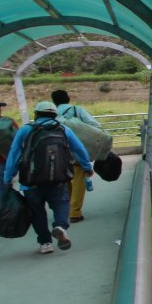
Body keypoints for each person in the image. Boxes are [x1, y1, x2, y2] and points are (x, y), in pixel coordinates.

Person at [3, 101, 93, 254]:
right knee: (61, 204)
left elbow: (14, 155)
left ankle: (45, 243)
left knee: (37, 212)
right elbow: (80, 149)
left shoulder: (25, 130)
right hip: (58, 178)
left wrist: (7, 178)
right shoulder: (63, 129)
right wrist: (87, 167)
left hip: (31, 182)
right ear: (54, 115)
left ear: (36, 114)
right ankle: (60, 226)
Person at [52, 89, 101, 223]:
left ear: (53, 101)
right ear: (68, 98)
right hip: (76, 151)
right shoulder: (76, 110)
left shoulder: (52, 114)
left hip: (58, 153)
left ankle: (68, 209)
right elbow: (95, 125)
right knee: (79, 180)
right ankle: (75, 213)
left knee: (65, 180)